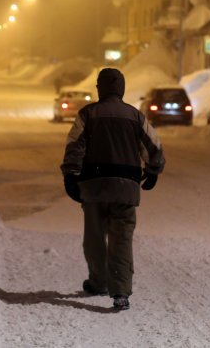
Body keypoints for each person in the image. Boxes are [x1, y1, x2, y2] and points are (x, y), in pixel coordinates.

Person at [60, 68, 165, 311]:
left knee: (94, 239)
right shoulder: (135, 117)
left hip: (94, 188)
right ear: (122, 89)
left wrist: (70, 175)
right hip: (126, 190)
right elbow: (154, 147)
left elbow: (75, 146)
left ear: (100, 88)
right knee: (122, 240)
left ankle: (98, 282)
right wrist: (152, 170)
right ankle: (120, 292)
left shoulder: (88, 114)